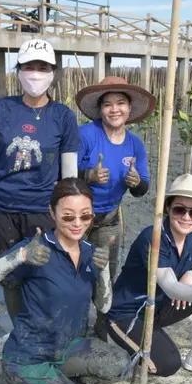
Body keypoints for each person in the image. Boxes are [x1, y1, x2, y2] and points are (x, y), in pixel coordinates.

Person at [0, 178, 128, 384]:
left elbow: (104, 305)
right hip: (28, 357)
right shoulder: (36, 249)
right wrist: (19, 256)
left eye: (85, 216)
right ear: (52, 213)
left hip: (68, 347)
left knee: (121, 365)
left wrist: (104, 270)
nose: (77, 224)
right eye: (68, 217)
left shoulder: (89, 252)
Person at [0, 39, 81, 325]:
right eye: (29, 66)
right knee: (11, 277)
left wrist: (70, 216)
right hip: (0, 209)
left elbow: (69, 174)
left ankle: (45, 331)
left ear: (53, 72)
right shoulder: (2, 108)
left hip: (42, 210)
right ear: (19, 71)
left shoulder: (63, 116)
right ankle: (20, 332)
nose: (36, 73)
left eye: (43, 67)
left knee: (46, 274)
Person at [97, 174, 192, 380]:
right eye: (180, 209)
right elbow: (170, 286)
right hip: (129, 314)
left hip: (160, 308)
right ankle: (116, 339)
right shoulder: (153, 237)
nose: (187, 217)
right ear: (168, 208)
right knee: (169, 364)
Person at [75, 76, 154, 282]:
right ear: (100, 110)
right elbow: (61, 175)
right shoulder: (85, 134)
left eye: (120, 103)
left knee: (106, 275)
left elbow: (142, 189)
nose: (114, 110)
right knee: (72, 270)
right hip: (76, 216)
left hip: (108, 220)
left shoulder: (135, 144)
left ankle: (104, 314)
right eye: (107, 104)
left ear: (129, 108)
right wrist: (87, 176)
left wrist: (136, 182)